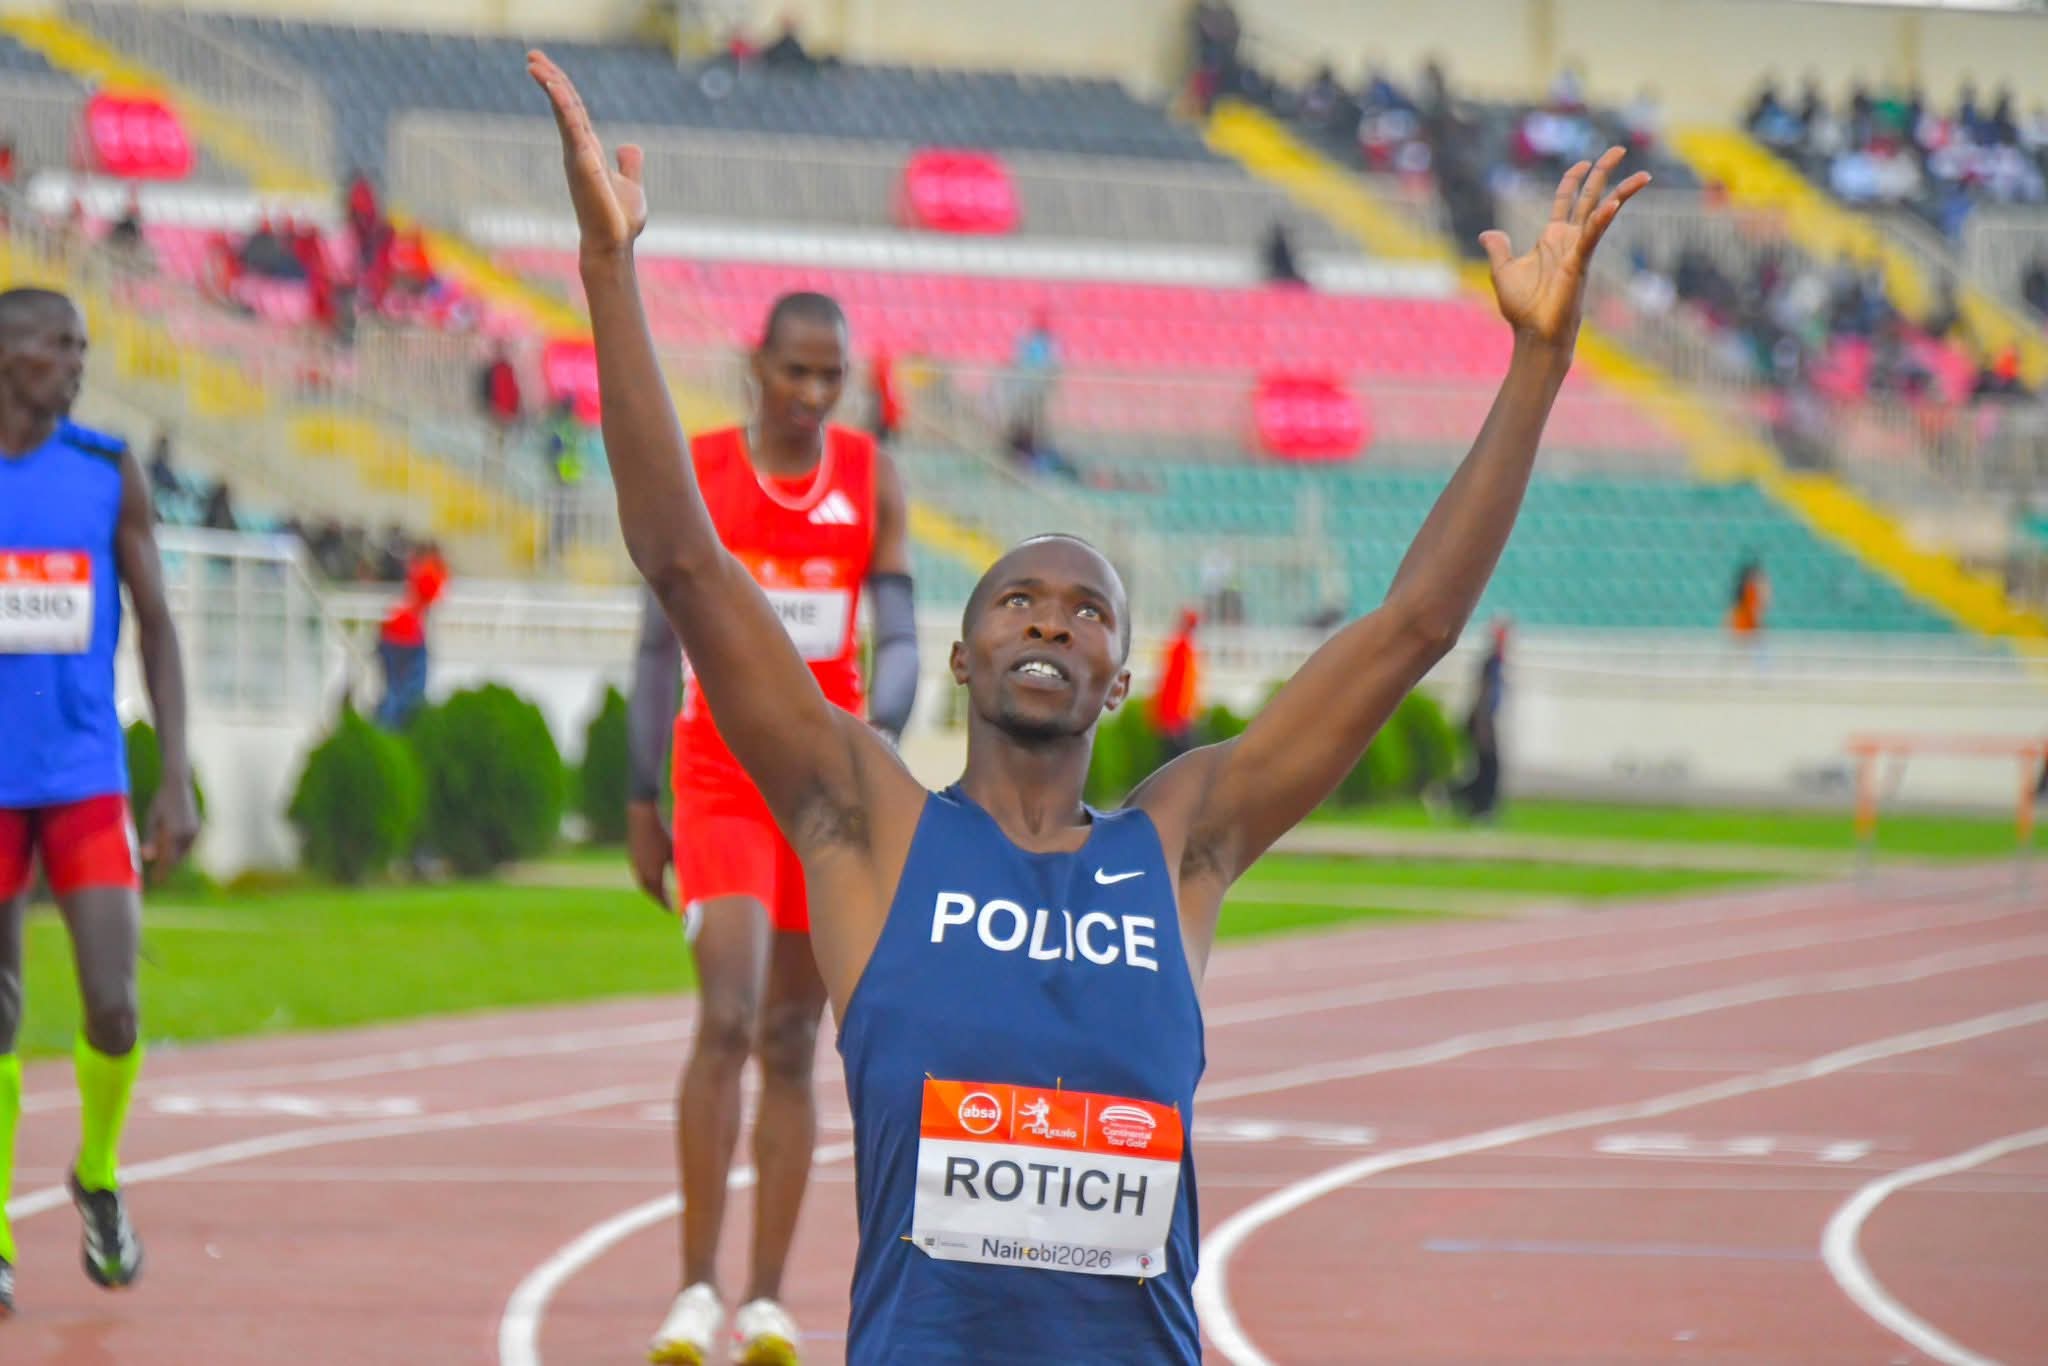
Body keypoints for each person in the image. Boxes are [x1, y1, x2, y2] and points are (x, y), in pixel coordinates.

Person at [533, 49, 1644, 1363]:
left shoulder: (1183, 839)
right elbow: (684, 562)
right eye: (1017, 599)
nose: (1052, 617)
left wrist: (1539, 362)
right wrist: (608, 269)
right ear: (960, 659)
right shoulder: (865, 824)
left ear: (1117, 678)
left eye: (1088, 608)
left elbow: (1412, 626)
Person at [624, 289, 920, 1363]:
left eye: (830, 375)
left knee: (794, 1038)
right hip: (717, 775)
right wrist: (640, 797)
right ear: (756, 364)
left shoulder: (869, 477)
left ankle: (762, 1302)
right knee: (728, 1012)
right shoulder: (702, 471)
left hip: (820, 787)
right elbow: (657, 644)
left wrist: (877, 733)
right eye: (795, 369)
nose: (811, 392)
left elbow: (899, 633)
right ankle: (694, 1291)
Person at [0, 286, 201, 1318]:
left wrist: (176, 774)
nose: (77, 361)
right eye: (58, 345)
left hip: (84, 775)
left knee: (114, 1003)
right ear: (7, 355)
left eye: (82, 346)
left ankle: (98, 1172)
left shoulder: (104, 469)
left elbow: (158, 626)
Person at [374, 540, 447, 730]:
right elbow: (431, 597)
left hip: (395, 633)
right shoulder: (428, 572)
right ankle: (391, 730)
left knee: (394, 689)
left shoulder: (414, 570)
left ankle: (385, 729)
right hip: (408, 636)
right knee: (405, 692)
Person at [1451, 618, 1509, 820]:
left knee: (1488, 768)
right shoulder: (1490, 662)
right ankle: (1475, 805)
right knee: (1487, 768)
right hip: (1481, 721)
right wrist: (1483, 726)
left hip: (1485, 720)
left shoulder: (1498, 663)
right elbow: (1483, 694)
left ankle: (1477, 807)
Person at [1150, 608, 1203, 760]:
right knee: (1177, 762)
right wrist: (1172, 718)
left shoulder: (1186, 648)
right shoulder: (1181, 648)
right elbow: (1174, 686)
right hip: (1177, 720)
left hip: (1181, 718)